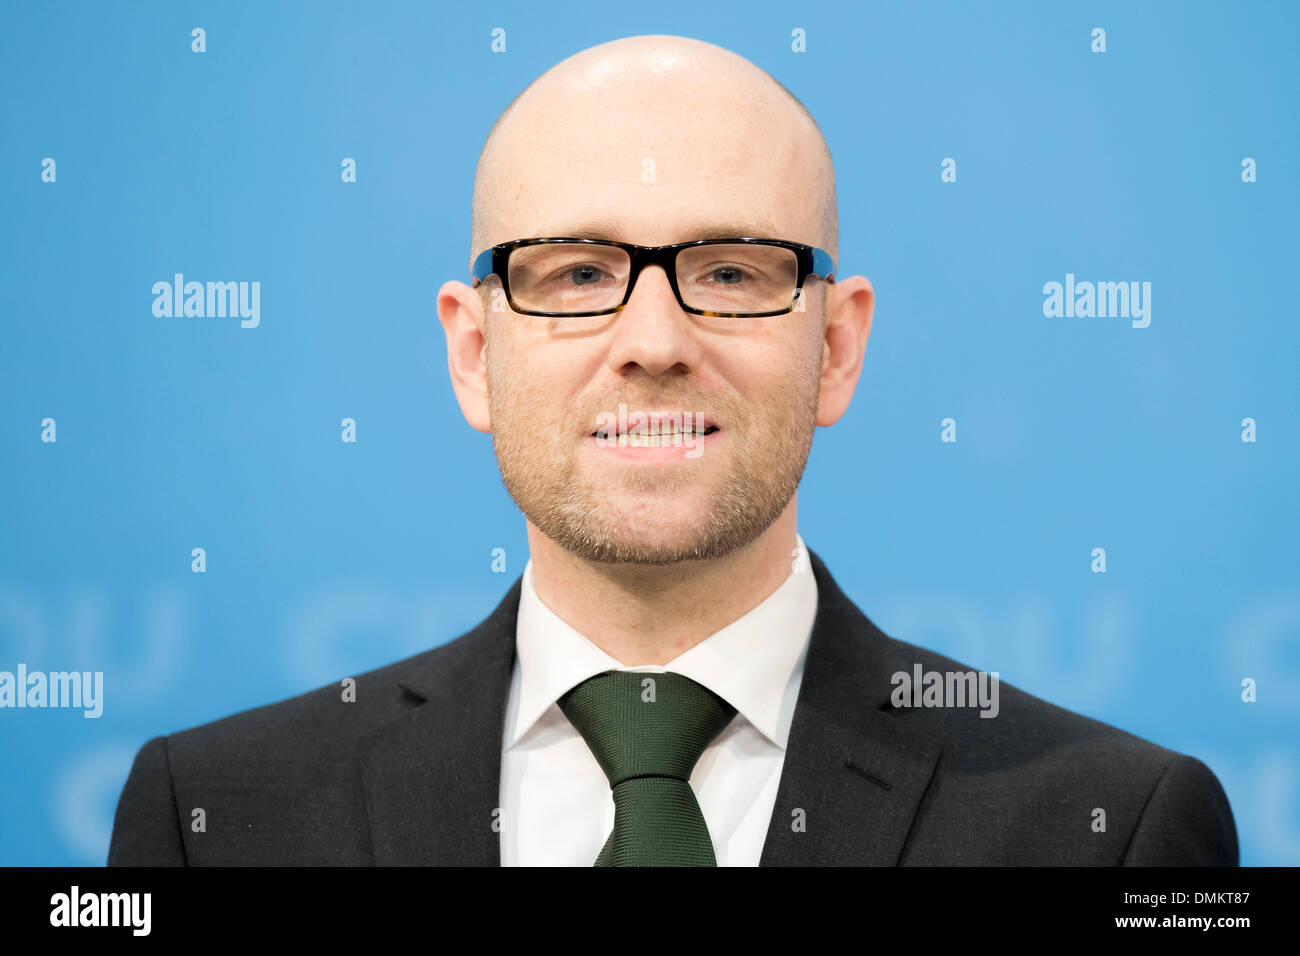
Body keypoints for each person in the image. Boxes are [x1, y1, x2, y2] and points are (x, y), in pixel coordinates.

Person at [108, 34, 1237, 867]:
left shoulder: (1113, 827)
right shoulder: (212, 814)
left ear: (836, 345)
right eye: (576, 273)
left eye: (734, 272)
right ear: (471, 351)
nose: (653, 342)